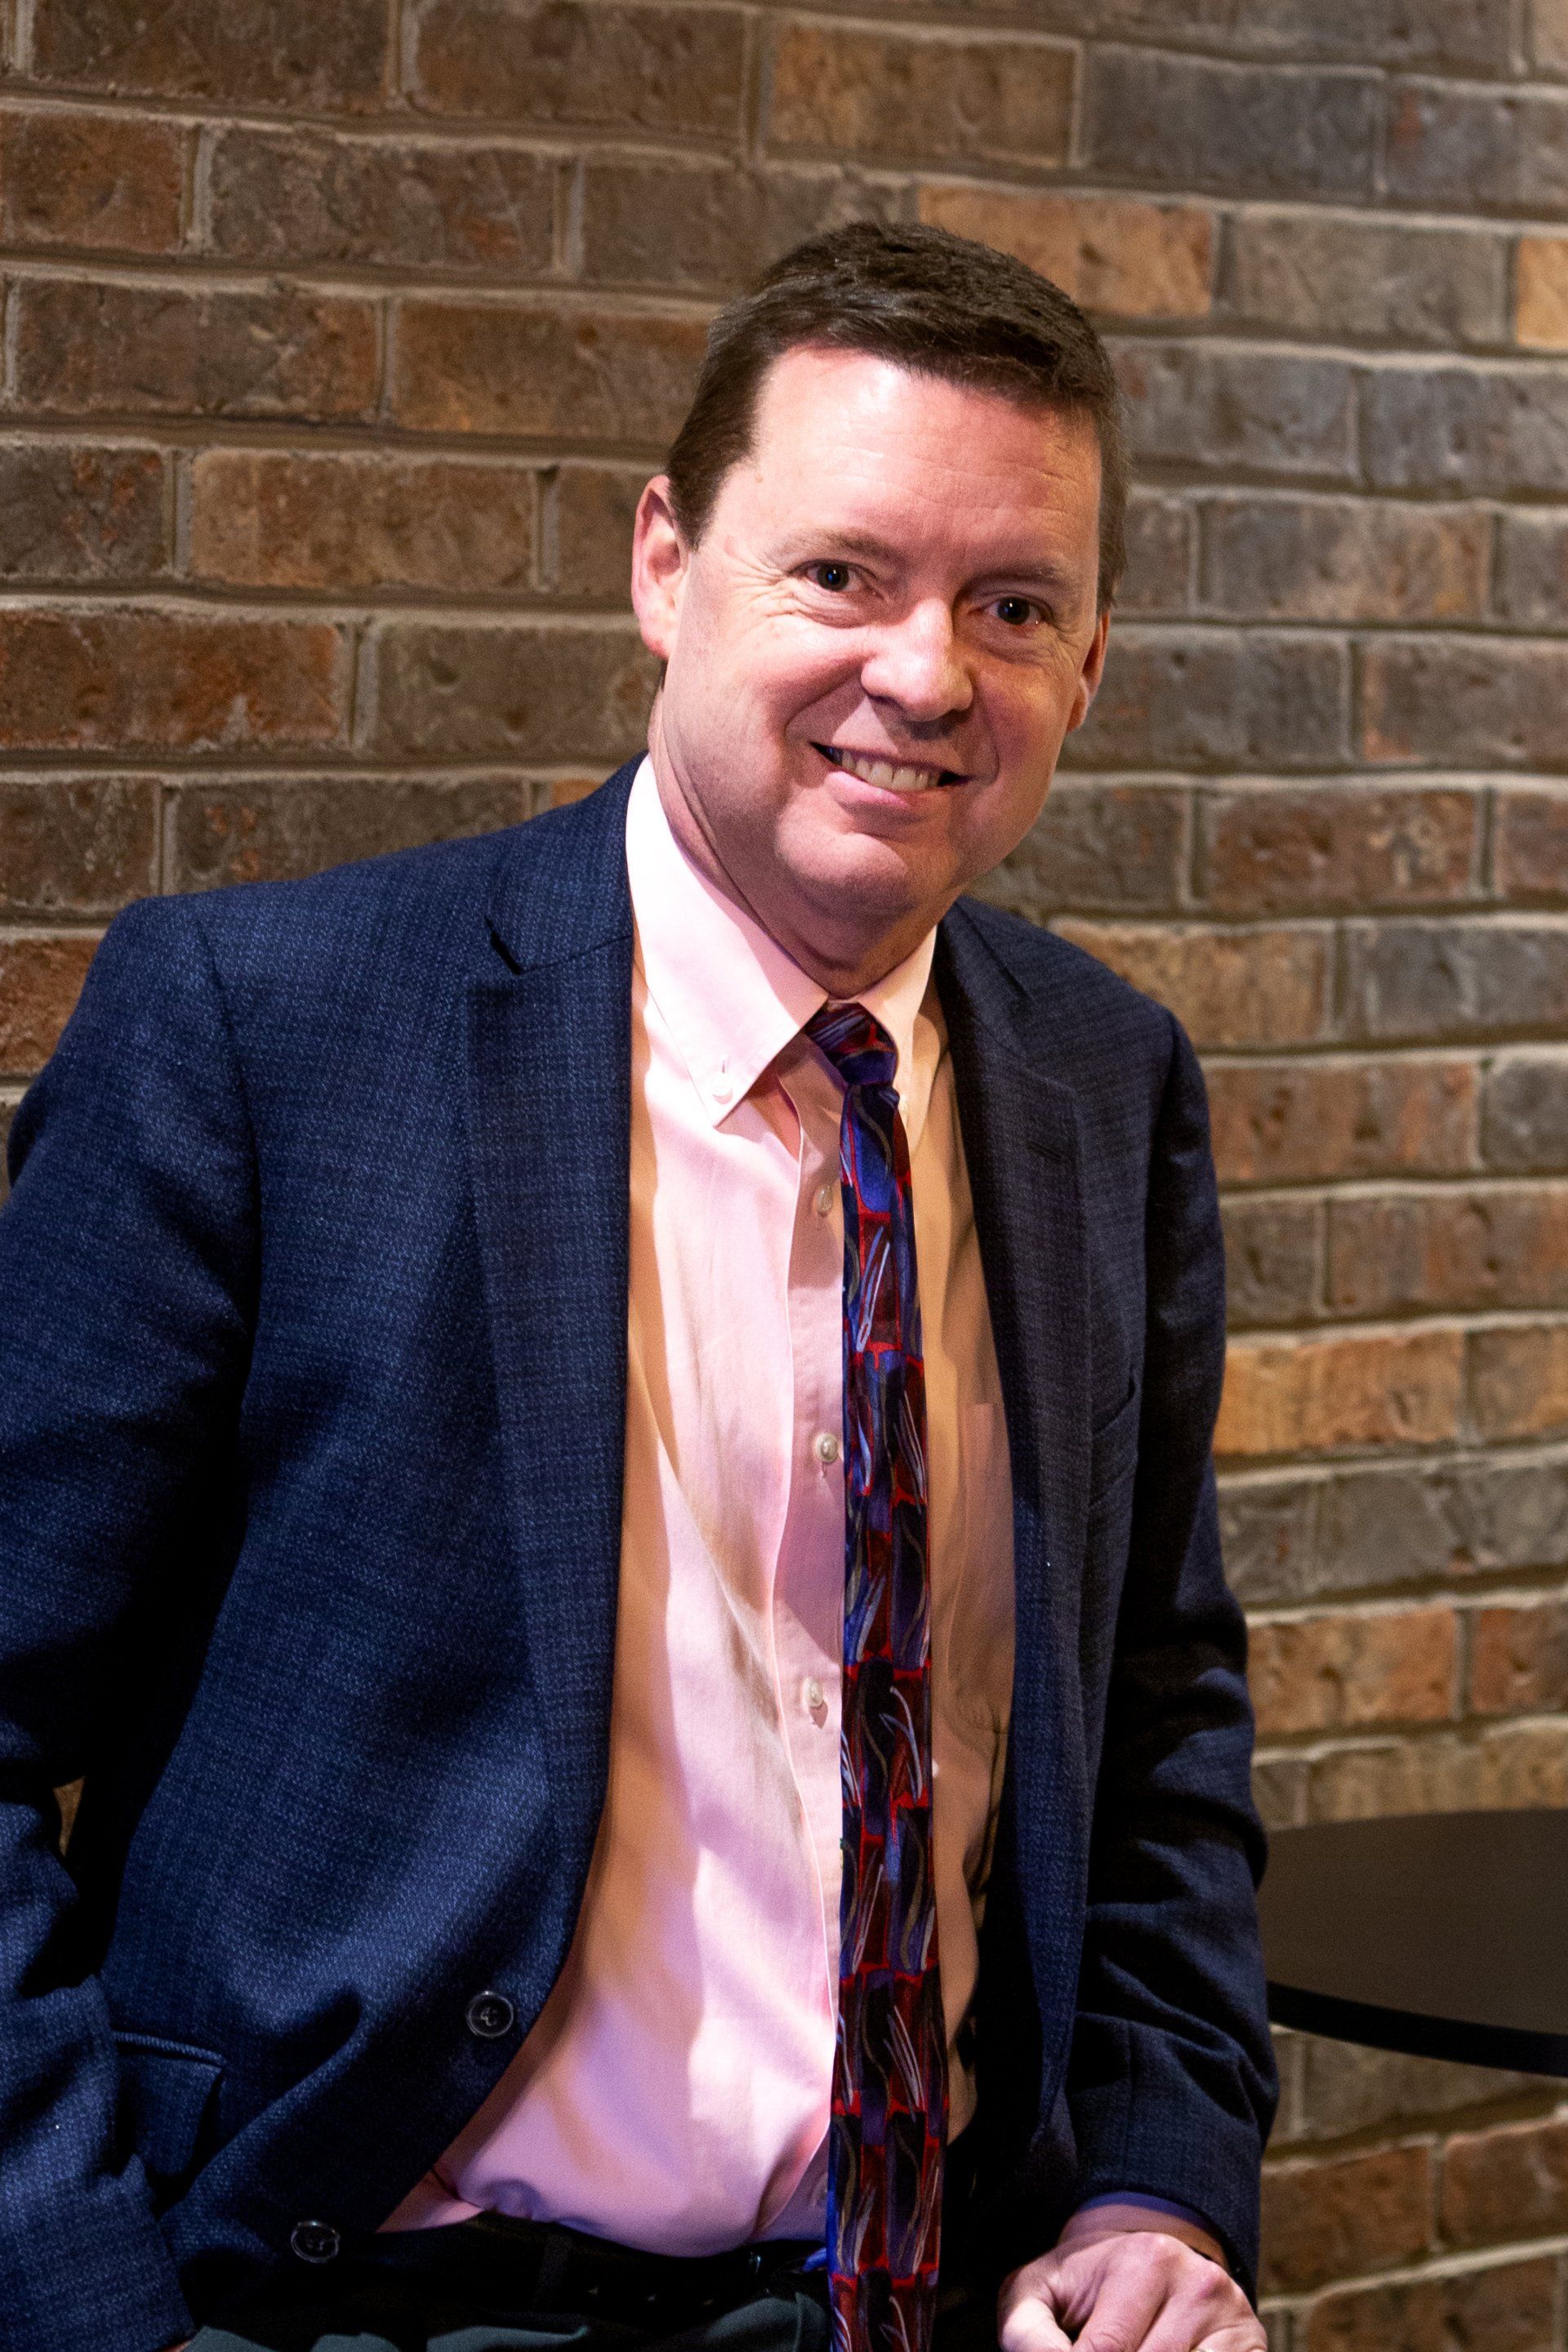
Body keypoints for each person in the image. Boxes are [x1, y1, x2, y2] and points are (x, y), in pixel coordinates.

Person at [0, 223, 1276, 2352]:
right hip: (359, 2301)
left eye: (1014, 605)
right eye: (843, 574)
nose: (928, 673)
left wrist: (1156, 2191)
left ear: (1094, 665)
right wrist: (79, 2305)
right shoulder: (266, 1033)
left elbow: (1155, 1728)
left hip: (925, 2301)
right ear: (665, 564)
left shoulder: (1096, 1085)